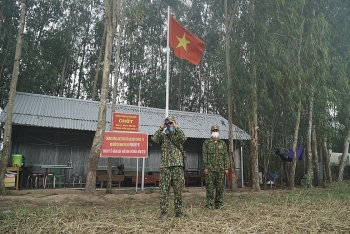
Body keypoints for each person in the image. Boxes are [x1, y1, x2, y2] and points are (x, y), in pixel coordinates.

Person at [151, 116, 187, 220]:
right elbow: (154, 138)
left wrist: (175, 126)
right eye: (168, 124)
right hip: (165, 167)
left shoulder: (178, 137)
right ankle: (163, 213)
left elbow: (184, 138)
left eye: (171, 123)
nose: (169, 125)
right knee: (164, 191)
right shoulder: (163, 137)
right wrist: (162, 127)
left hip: (177, 167)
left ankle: (179, 213)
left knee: (178, 191)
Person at [202, 125, 230, 210]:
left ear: (219, 132)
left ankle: (219, 204)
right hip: (210, 169)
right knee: (210, 188)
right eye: (214, 131)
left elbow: (225, 156)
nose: (215, 132)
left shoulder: (222, 143)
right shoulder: (206, 143)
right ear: (211, 132)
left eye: (216, 131)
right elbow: (204, 155)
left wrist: (226, 167)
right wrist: (206, 167)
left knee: (220, 188)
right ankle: (209, 205)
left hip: (220, 169)